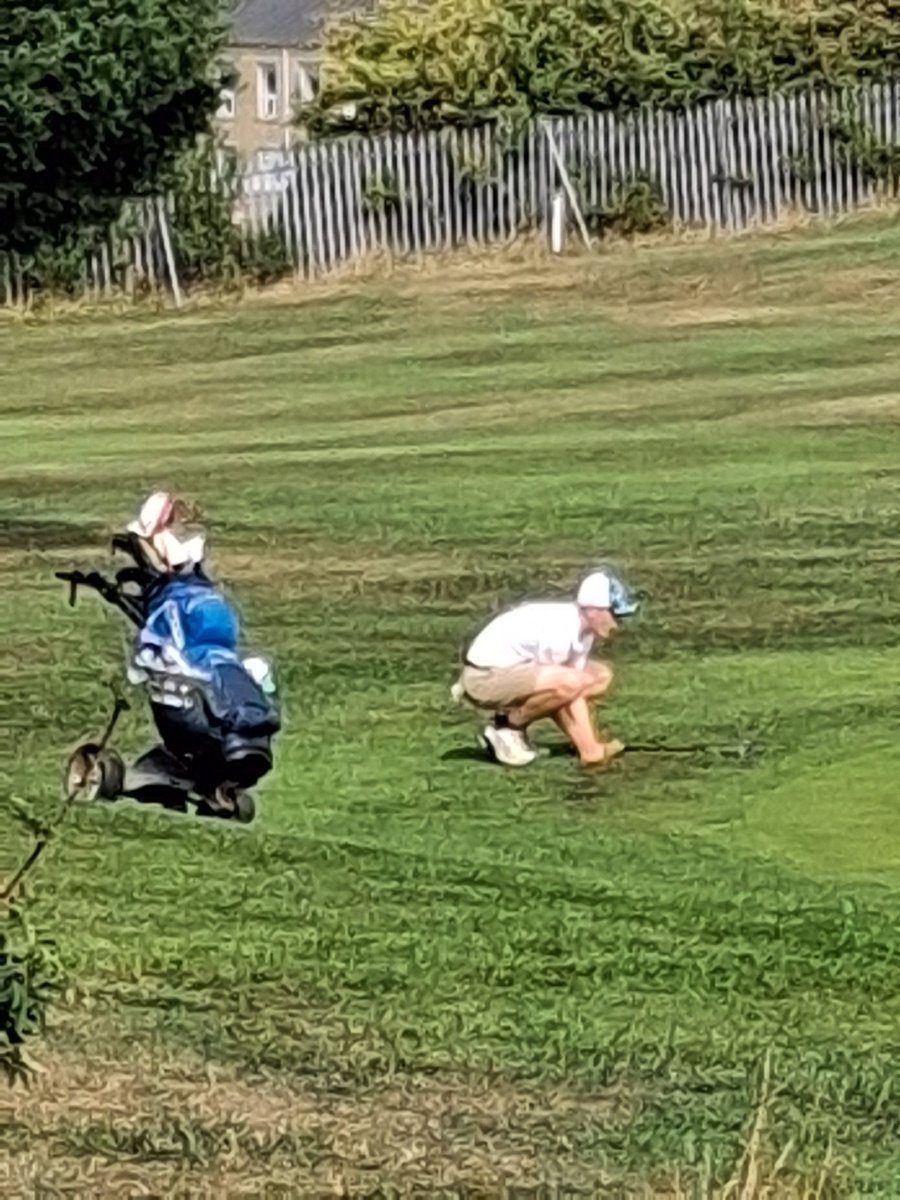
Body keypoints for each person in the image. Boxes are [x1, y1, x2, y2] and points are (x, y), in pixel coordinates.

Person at [452, 568, 638, 767]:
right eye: (614, 614)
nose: (617, 624)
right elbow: (565, 686)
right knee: (571, 682)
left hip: (510, 671)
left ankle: (587, 748)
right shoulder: (562, 630)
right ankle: (508, 727)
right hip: (483, 679)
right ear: (593, 610)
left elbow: (570, 696)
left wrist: (589, 748)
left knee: (598, 676)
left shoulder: (584, 632)